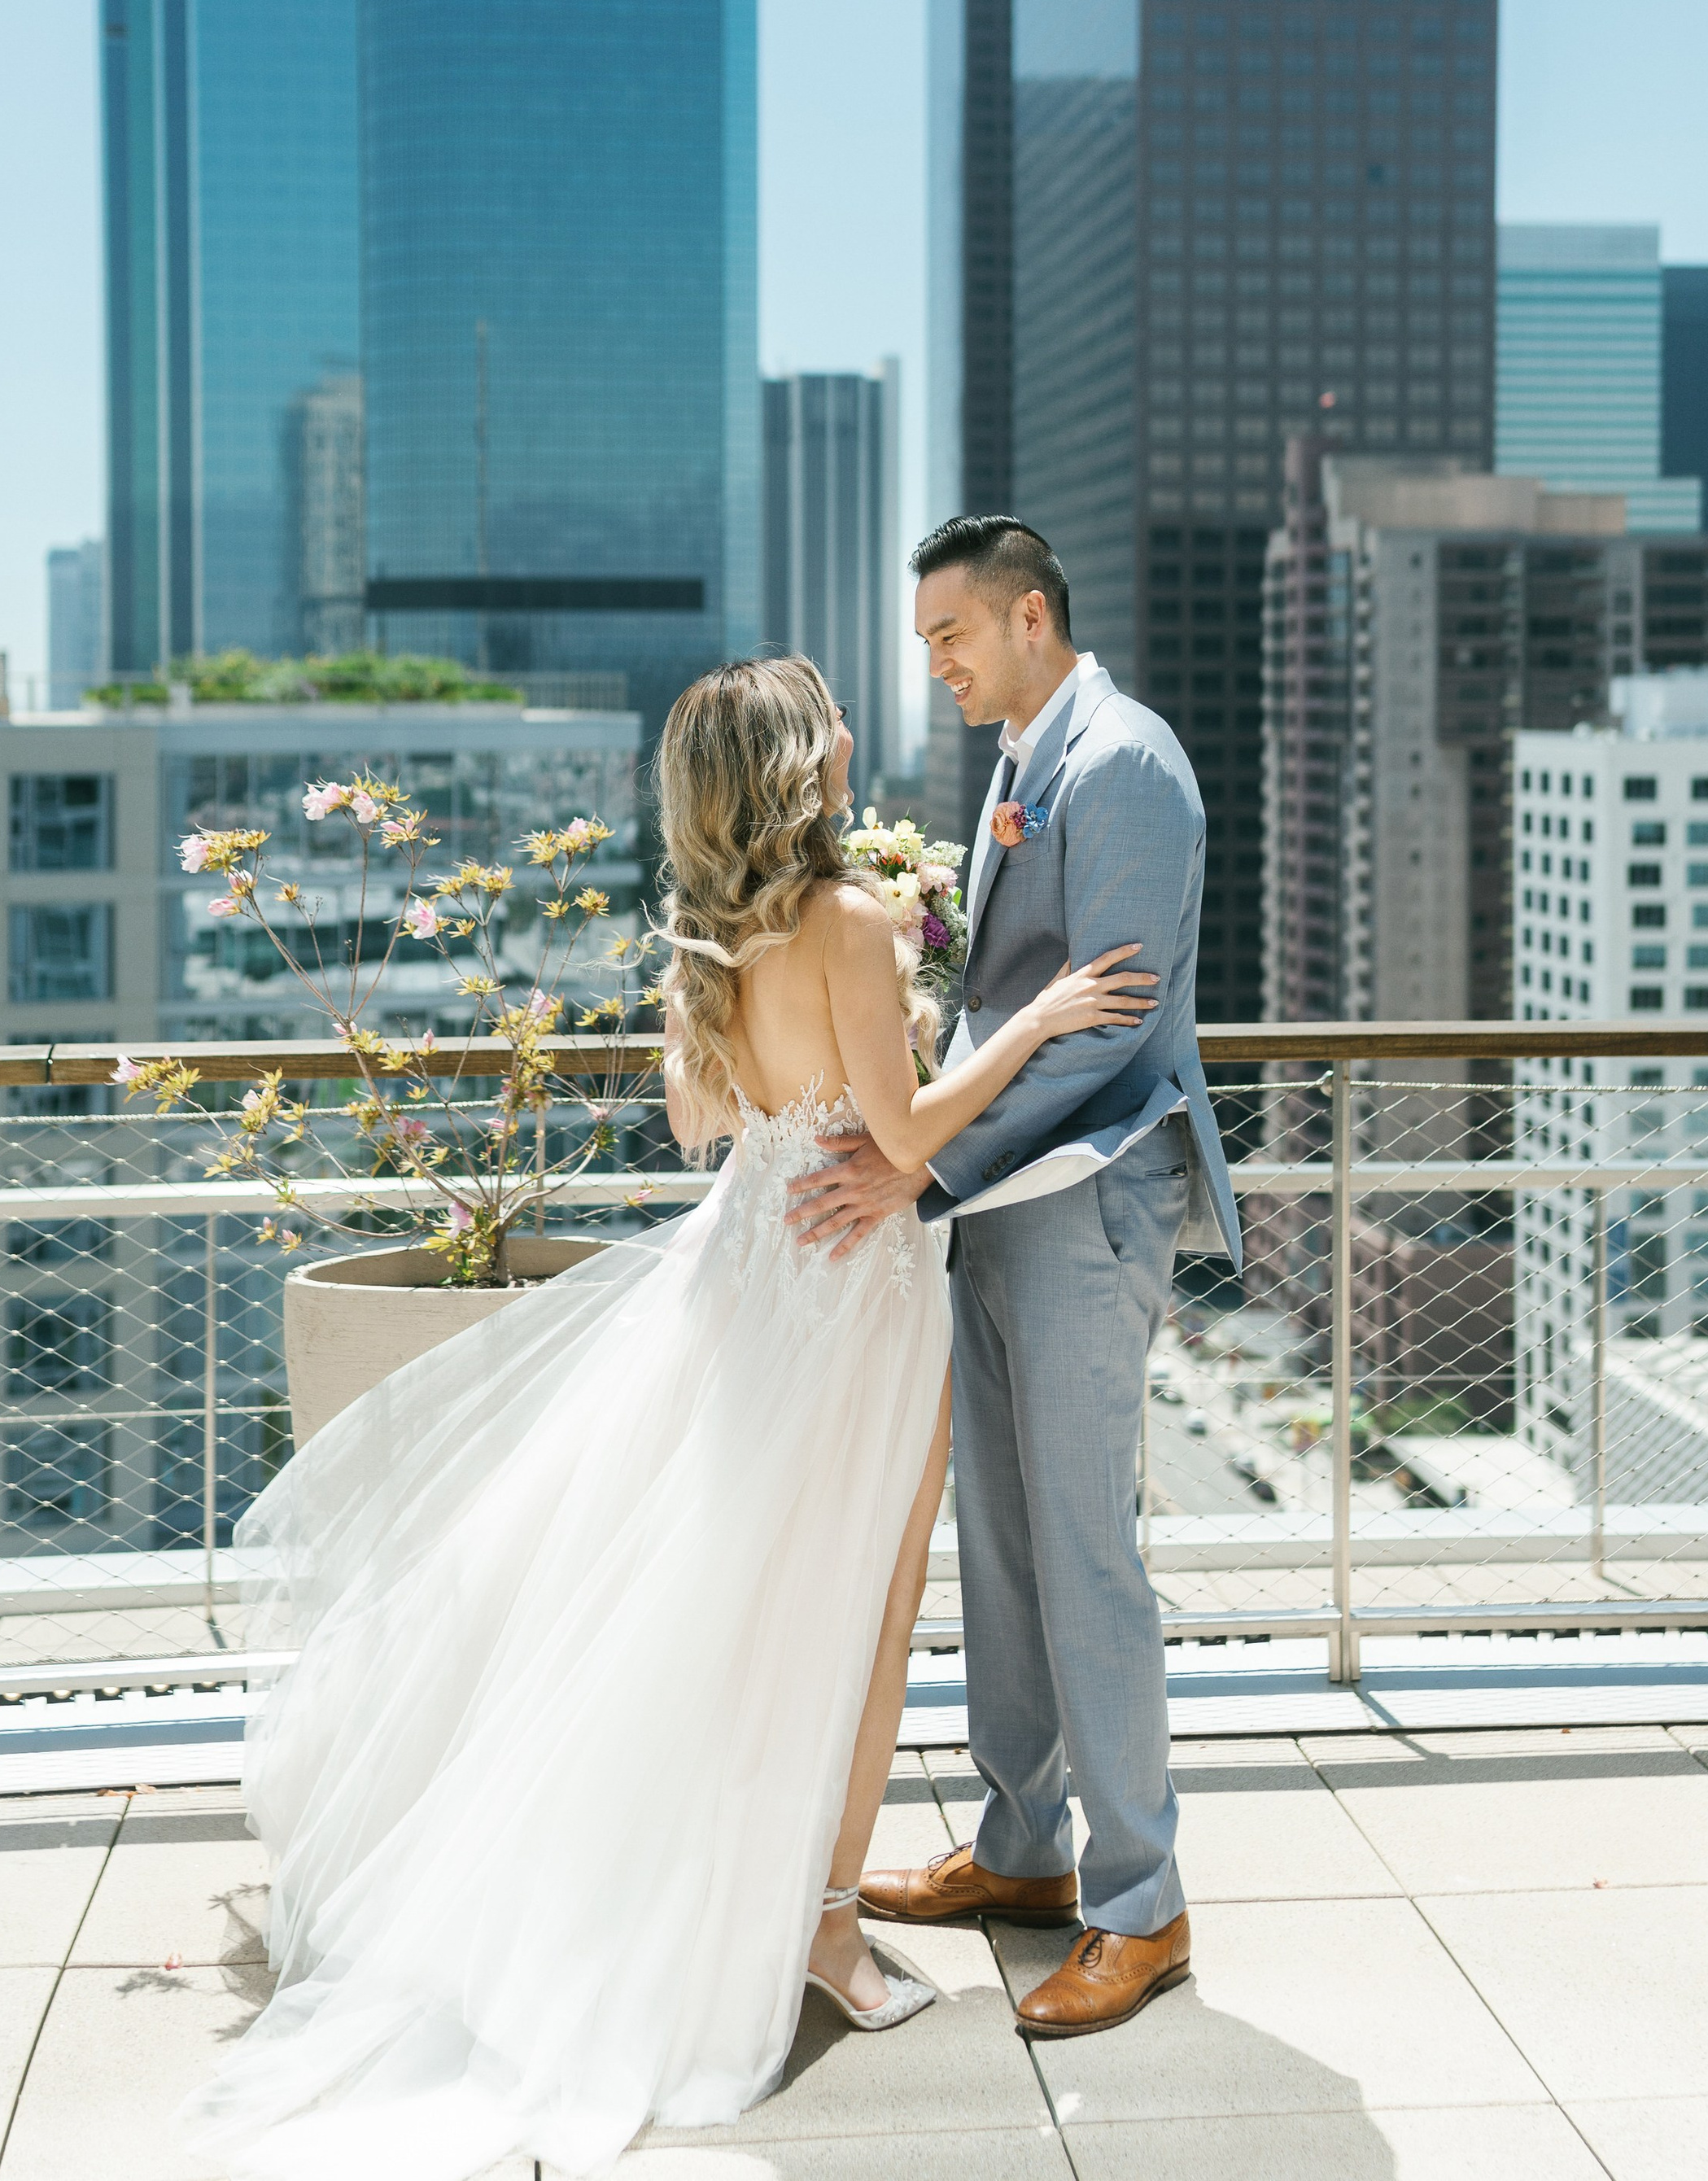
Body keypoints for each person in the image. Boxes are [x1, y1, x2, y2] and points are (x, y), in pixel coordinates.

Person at [177, 653, 1154, 2180]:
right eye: (827, 718)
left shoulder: (711, 945)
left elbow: (718, 1126)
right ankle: (824, 1937)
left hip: (744, 1274)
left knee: (721, 1608)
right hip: (850, 1303)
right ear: (795, 764)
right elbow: (899, 1141)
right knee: (859, 1620)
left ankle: (732, 1900)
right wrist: (1031, 1021)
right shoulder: (846, 920)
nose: (848, 731)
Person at [788, 518, 1243, 2043]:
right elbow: (1013, 991)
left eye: (950, 638)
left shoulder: (1124, 765)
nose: (936, 665)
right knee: (1001, 1542)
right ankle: (1025, 1851)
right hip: (996, 1208)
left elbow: (1110, 1030)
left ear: (1030, 614)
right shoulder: (1021, 756)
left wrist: (927, 1165)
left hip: (1085, 1202)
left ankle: (1141, 1905)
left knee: (1083, 1549)